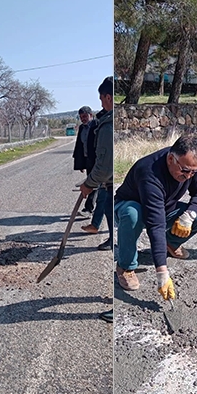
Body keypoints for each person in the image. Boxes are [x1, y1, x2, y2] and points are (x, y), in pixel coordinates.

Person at [112, 135, 197, 312]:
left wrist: (189, 215)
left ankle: (170, 244)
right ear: (171, 159)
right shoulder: (149, 172)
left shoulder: (191, 165)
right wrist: (162, 273)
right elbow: (155, 225)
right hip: (129, 206)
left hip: (164, 208)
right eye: (185, 171)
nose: (188, 176)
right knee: (132, 214)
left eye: (193, 172)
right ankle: (125, 266)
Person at [77, 77, 113, 322]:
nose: (101, 102)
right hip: (108, 183)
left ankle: (115, 304)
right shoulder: (105, 120)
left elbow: (106, 163)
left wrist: (89, 184)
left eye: (102, 98)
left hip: (111, 183)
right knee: (110, 217)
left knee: (119, 229)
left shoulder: (109, 125)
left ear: (108, 97)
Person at [72, 106, 99, 217]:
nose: (83, 119)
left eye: (85, 116)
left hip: (97, 160)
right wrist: (81, 163)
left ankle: (89, 209)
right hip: (88, 160)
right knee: (92, 184)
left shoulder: (97, 125)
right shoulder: (82, 128)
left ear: (91, 115)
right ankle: (92, 209)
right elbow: (79, 146)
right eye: (81, 117)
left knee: (93, 184)